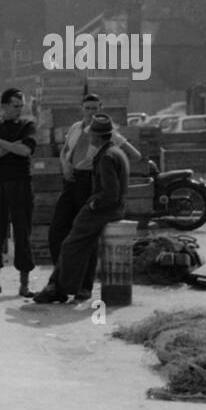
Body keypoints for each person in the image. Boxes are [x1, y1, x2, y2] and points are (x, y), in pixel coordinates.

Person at [43, 94, 142, 293]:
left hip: (90, 182)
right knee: (57, 231)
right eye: (88, 108)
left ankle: (84, 286)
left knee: (86, 235)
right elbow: (65, 151)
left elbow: (135, 155)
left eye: (95, 109)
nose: (91, 112)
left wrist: (111, 171)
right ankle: (61, 278)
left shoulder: (107, 134)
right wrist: (65, 166)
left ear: (101, 109)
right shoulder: (75, 128)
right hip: (70, 180)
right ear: (81, 108)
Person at [33, 114, 128, 303]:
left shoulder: (106, 157)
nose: (89, 137)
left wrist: (92, 204)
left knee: (70, 245)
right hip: (113, 208)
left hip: (104, 210)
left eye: (91, 134)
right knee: (77, 245)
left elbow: (111, 193)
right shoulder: (115, 152)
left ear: (97, 136)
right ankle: (64, 286)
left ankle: (58, 288)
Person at [0, 88, 37, 296]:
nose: (19, 110)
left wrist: (1, 143)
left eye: (21, 106)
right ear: (4, 105)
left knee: (23, 232)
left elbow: (26, 150)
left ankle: (24, 284)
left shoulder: (27, 126)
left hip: (21, 183)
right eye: (15, 106)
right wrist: (12, 145)